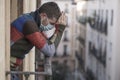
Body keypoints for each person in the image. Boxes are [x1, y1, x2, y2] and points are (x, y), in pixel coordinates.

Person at [10, 2, 67, 80]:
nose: (51, 27)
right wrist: (60, 30)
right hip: (7, 67)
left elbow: (48, 43)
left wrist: (57, 29)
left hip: (12, 69)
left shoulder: (31, 20)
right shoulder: (29, 24)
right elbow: (49, 50)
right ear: (43, 16)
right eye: (51, 23)